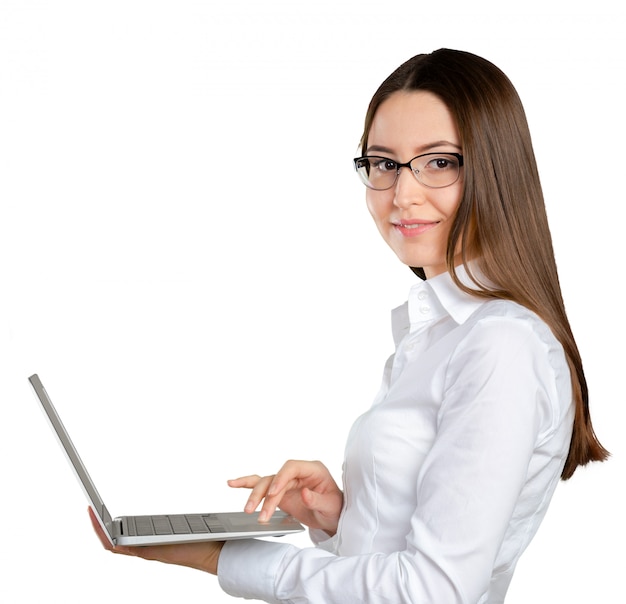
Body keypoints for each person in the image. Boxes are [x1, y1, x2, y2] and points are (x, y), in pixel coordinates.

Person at [90, 48, 609, 603]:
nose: (402, 194)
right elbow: (412, 558)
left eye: (439, 161)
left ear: (495, 170)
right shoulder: (437, 333)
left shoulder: (501, 343)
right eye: (384, 163)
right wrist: (341, 516)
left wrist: (226, 557)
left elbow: (435, 591)